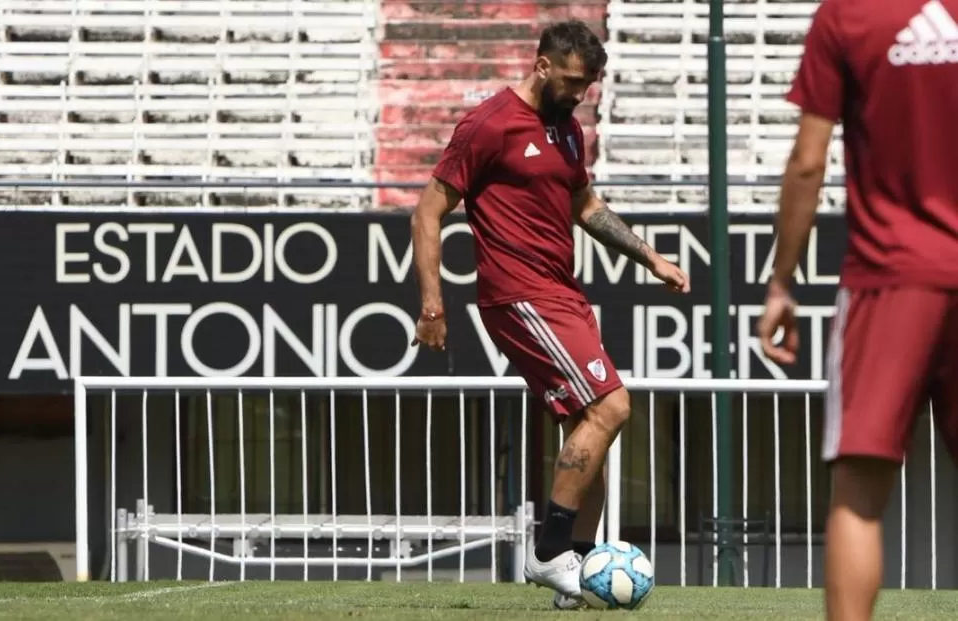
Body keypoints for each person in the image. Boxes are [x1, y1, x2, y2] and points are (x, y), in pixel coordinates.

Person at [409, 19, 690, 609]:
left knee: (589, 427)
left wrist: (650, 258)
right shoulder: (489, 124)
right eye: (572, 81)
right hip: (519, 295)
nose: (580, 93)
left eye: (588, 85)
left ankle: (581, 571)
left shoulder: (567, 130)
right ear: (542, 67)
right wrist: (433, 303)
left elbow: (584, 205)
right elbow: (428, 211)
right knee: (612, 405)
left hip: (563, 293)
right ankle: (547, 553)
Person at [758, 0, 958, 619]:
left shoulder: (848, 15)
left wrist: (781, 283)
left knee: (859, 491)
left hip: (889, 278)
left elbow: (808, 162)